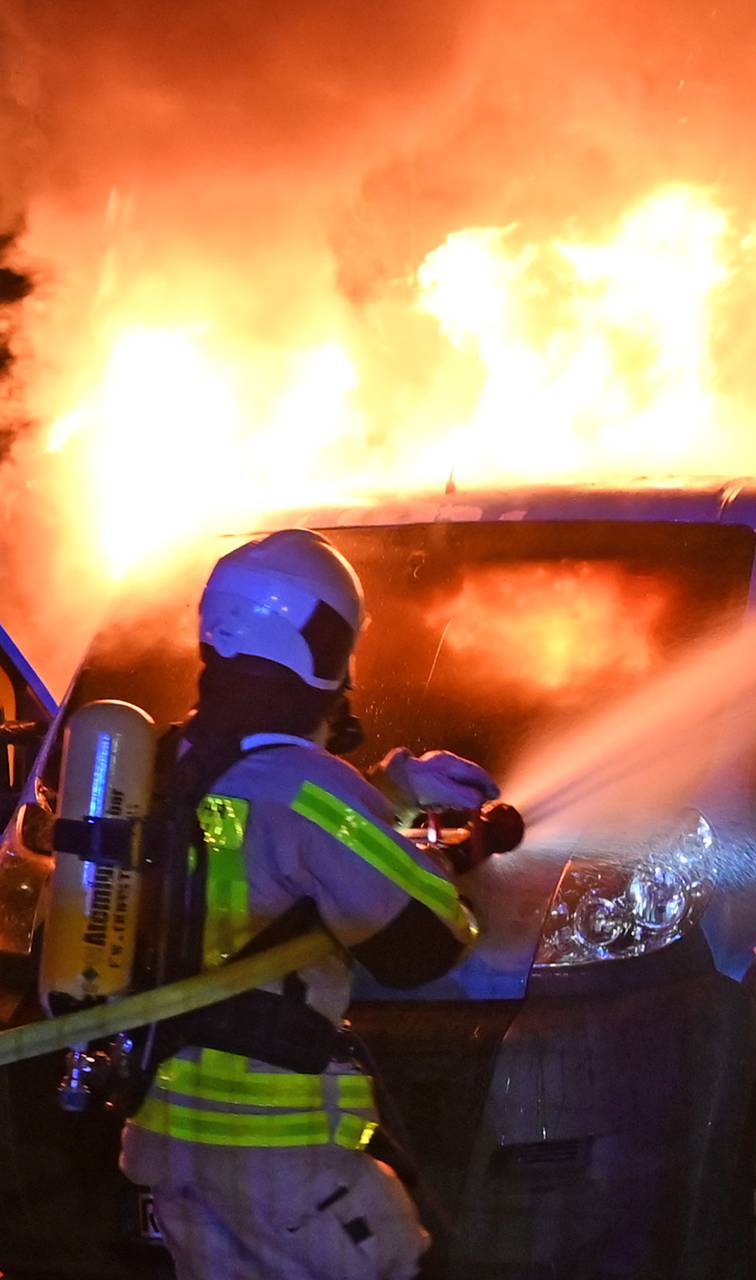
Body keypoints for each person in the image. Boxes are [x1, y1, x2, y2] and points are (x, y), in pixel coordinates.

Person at [118, 530, 501, 1280]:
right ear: (316, 645)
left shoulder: (171, 764)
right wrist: (461, 859)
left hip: (170, 1149)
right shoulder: (308, 787)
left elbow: (256, 840)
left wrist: (393, 788)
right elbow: (428, 940)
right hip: (282, 1163)